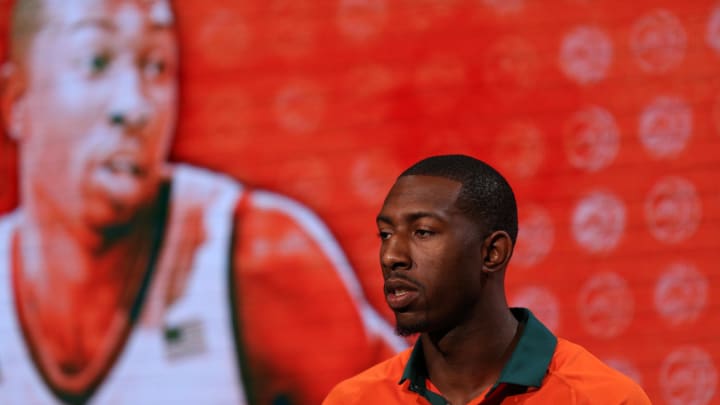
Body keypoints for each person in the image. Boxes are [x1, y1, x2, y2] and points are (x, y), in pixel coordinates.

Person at [0, 0, 404, 404]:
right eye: (96, 62)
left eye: (156, 66)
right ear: (15, 100)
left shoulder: (260, 259)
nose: (135, 106)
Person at [323, 154, 652, 405]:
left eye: (422, 232)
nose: (391, 256)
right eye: (385, 234)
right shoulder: (354, 399)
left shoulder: (601, 398)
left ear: (492, 252)